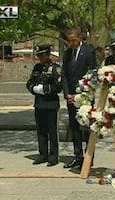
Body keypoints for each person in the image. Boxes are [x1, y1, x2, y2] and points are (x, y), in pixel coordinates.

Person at [61, 28, 97, 169]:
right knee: (74, 127)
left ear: (80, 38)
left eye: (74, 40)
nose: (72, 43)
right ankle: (78, 156)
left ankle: (89, 157)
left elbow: (92, 73)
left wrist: (81, 94)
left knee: (87, 127)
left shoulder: (88, 51)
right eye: (70, 41)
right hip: (71, 97)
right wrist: (67, 93)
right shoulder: (67, 53)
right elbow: (64, 74)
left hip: (85, 97)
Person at [26, 44, 62, 167]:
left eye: (42, 55)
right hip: (39, 104)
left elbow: (58, 87)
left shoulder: (55, 68)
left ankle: (53, 156)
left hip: (50, 103)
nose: (40, 58)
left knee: (52, 131)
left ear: (48, 55)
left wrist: (45, 89)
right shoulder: (37, 67)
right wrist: (34, 89)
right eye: (39, 56)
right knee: (41, 131)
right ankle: (43, 154)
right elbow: (29, 82)